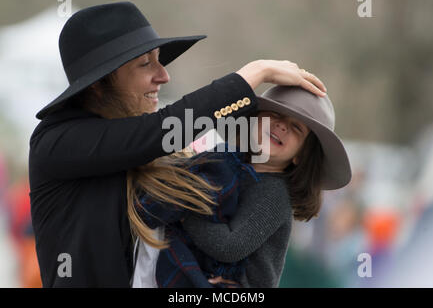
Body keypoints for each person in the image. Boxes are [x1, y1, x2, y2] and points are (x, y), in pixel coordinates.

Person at [29, 1, 327, 287]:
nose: (164, 75)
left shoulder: (175, 156)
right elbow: (158, 131)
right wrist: (254, 74)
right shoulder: (55, 142)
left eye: (160, 60)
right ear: (99, 82)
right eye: (146, 63)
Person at [131, 86, 352, 287]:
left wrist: (184, 207)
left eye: (296, 128)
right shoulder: (226, 164)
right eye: (275, 114)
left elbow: (230, 246)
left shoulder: (275, 194)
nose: (282, 126)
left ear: (301, 156)